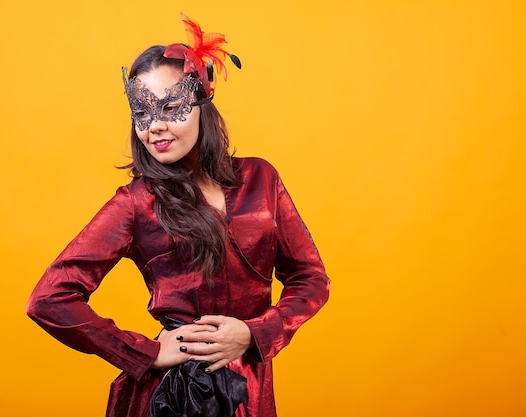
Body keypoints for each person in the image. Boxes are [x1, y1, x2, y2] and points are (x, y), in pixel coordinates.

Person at [26, 13, 330, 417]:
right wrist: (144, 352)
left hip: (250, 386)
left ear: (202, 102)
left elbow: (310, 279)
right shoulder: (136, 202)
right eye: (142, 113)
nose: (155, 126)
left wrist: (256, 332)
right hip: (173, 394)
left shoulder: (261, 178)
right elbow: (49, 299)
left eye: (171, 107)